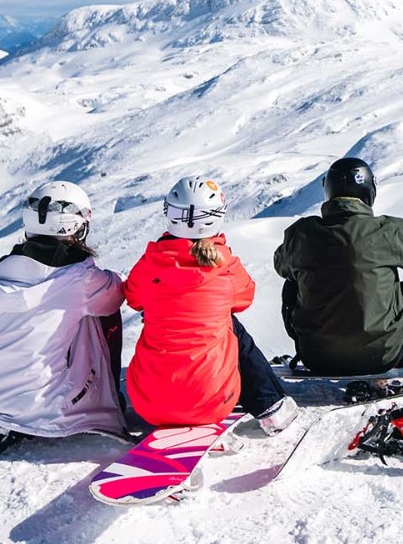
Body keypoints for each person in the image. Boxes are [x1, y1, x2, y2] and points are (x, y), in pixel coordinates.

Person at [0, 181, 128, 449]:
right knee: (98, 313)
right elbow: (116, 295)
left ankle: (8, 404)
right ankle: (107, 396)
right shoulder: (80, 278)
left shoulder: (1, 270)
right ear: (78, 226)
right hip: (45, 407)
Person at [124, 176, 299, 433]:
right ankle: (270, 406)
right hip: (211, 403)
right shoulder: (225, 266)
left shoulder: (150, 263)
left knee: (159, 318)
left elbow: (133, 297)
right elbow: (245, 298)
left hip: (148, 405)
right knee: (229, 325)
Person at [273, 157, 403, 375]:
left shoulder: (301, 234)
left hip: (316, 357)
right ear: (369, 191)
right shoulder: (390, 231)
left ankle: (318, 343)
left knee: (292, 281)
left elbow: (280, 266)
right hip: (381, 356)